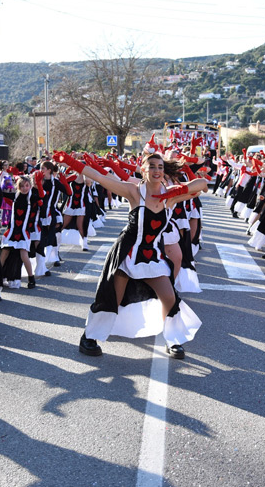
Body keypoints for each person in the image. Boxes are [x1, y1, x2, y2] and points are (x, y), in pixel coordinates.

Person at [54, 150, 207, 360]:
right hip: (127, 254)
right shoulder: (134, 192)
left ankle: (172, 340)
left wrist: (176, 189)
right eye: (152, 166)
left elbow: (201, 185)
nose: (157, 170)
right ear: (143, 169)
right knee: (111, 299)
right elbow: (100, 177)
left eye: (160, 167)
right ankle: (89, 337)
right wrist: (72, 163)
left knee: (170, 298)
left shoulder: (170, 196)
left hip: (153, 257)